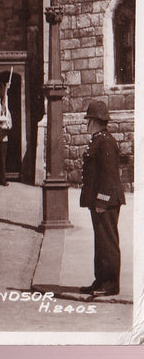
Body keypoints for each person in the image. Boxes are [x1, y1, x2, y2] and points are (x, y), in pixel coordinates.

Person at [79, 100, 125, 297]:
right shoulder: (99, 139)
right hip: (99, 201)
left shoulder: (105, 141)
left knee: (108, 241)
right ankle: (101, 280)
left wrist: (102, 201)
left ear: (95, 121)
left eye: (88, 120)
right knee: (101, 240)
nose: (87, 124)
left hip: (106, 201)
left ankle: (111, 283)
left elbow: (108, 176)